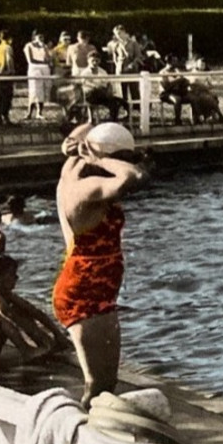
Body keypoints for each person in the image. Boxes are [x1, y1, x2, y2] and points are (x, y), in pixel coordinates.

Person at [53, 121, 150, 400]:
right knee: (97, 385)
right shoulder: (86, 188)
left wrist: (82, 139)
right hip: (83, 292)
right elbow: (132, 177)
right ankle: (76, 438)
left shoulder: (71, 170)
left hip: (99, 288)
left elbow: (76, 139)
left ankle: (91, 434)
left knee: (107, 383)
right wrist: (103, 158)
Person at [0, 255, 70, 367]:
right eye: (12, 274)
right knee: (1, 317)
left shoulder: (5, 294)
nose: (17, 277)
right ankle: (27, 351)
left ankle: (47, 343)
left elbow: (34, 311)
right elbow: (8, 314)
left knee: (21, 309)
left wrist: (57, 334)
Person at [24, 31, 53, 121]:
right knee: (34, 90)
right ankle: (29, 113)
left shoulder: (44, 46)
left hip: (45, 69)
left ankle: (39, 113)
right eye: (39, 36)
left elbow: (48, 59)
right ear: (34, 37)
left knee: (43, 90)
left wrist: (45, 49)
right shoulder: (29, 46)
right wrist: (44, 62)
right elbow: (30, 60)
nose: (41, 38)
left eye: (42, 37)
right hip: (34, 69)